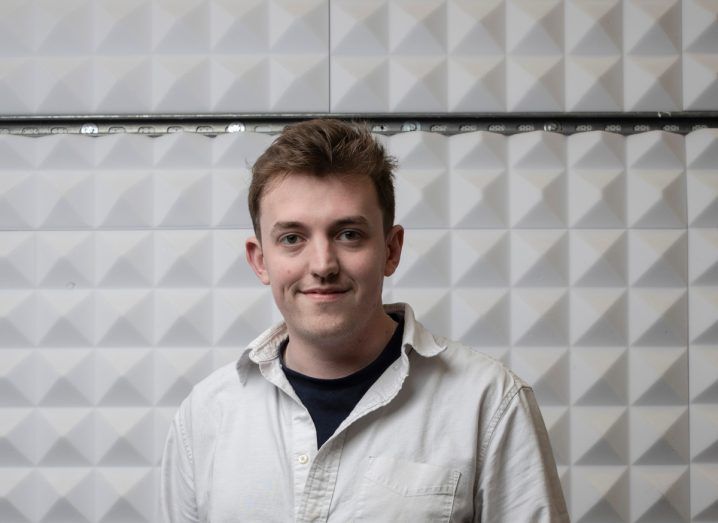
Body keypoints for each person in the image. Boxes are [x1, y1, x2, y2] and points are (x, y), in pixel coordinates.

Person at [160, 118, 569, 522]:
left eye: (349, 234)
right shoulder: (206, 415)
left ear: (391, 250)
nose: (322, 265)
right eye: (292, 238)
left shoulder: (490, 402)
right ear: (260, 259)